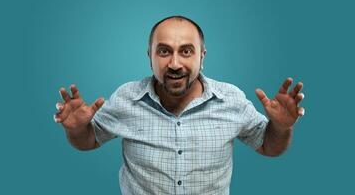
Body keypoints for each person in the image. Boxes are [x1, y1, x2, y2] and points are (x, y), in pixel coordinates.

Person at [54, 16, 305, 195]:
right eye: (164, 52)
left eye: (186, 51)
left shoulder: (231, 99)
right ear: (149, 55)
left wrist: (281, 127)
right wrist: (76, 129)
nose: (174, 63)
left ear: (202, 56)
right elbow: (90, 140)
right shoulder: (126, 98)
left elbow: (268, 146)